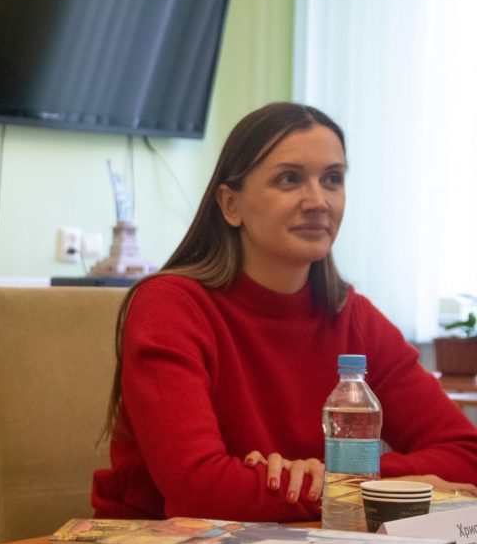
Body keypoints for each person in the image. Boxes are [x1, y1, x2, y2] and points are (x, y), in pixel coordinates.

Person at [91, 102, 477, 522]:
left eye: (332, 179)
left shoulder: (354, 317)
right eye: (289, 179)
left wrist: (336, 480)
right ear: (231, 204)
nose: (318, 201)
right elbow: (199, 491)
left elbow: (466, 456)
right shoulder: (170, 306)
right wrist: (363, 486)